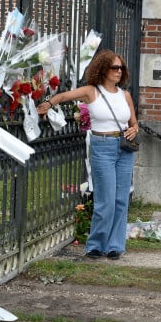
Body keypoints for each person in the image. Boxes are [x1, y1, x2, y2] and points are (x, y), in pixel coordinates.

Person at [36, 49, 138, 260]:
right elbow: (65, 95)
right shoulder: (92, 91)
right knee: (105, 200)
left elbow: (133, 123)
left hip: (124, 148)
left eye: (121, 68)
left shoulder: (125, 95)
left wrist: (134, 129)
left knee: (121, 200)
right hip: (102, 147)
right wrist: (48, 104)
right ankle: (96, 244)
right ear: (103, 69)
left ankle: (115, 246)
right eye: (114, 67)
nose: (119, 71)